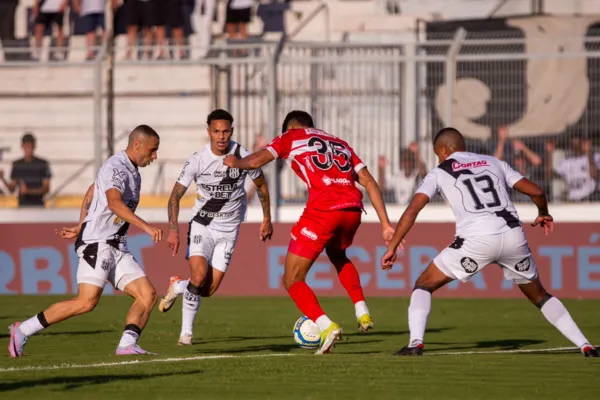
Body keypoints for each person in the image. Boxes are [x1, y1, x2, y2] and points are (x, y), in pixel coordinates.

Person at [381, 127, 599, 358]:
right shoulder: (494, 162)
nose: (439, 158)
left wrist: (393, 246)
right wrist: (543, 212)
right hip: (513, 237)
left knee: (424, 284)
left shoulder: (439, 171)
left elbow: (413, 209)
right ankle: (585, 345)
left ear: (444, 149)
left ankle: (416, 344)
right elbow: (536, 191)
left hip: (476, 241)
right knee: (540, 295)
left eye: (438, 154)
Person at [224, 110, 395, 354]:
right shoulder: (339, 143)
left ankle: (326, 326)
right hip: (353, 210)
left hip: (324, 210)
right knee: (338, 255)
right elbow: (368, 180)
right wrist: (386, 224)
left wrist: (235, 162)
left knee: (291, 279)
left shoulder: (291, 137)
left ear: (289, 129)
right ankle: (362, 310)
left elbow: (255, 161)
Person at [8, 125, 164, 357]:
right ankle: (23, 330)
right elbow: (113, 203)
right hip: (98, 244)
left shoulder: (133, 173)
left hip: (117, 245)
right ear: (137, 144)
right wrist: (146, 227)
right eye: (152, 150)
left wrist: (82, 224)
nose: (155, 156)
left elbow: (92, 192)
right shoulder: (116, 167)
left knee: (148, 295)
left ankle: (126, 345)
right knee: (86, 302)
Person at [158, 109, 273, 346]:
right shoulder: (197, 160)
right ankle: (186, 334)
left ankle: (178, 286)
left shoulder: (243, 156)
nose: (221, 136)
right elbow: (175, 197)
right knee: (198, 276)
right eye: (216, 131)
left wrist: (266, 219)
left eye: (226, 131)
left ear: (232, 130)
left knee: (207, 290)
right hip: (203, 225)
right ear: (208, 131)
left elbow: (261, 186)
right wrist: (173, 229)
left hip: (229, 230)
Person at [0, 133, 51, 207]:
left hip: (39, 205)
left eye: (30, 147)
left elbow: (46, 189)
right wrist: (2, 179)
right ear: (22, 146)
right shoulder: (17, 164)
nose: (29, 150)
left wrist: (28, 191)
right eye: (27, 147)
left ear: (34, 146)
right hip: (22, 205)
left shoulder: (43, 164)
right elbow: (12, 189)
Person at [546, 135, 600, 202]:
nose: (575, 142)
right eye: (573, 140)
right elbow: (550, 175)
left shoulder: (596, 157)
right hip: (573, 200)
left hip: (591, 198)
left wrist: (588, 152)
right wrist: (550, 153)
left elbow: (594, 174)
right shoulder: (566, 161)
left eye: (578, 140)